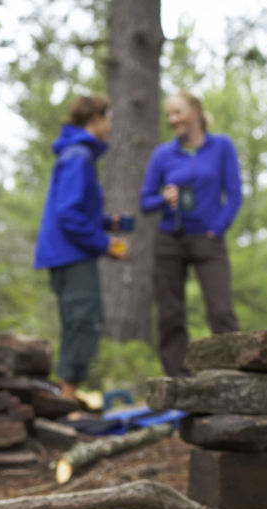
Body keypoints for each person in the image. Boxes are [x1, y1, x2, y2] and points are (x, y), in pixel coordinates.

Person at [139, 91, 243, 376]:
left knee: (221, 310)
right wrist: (164, 198)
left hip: (208, 239)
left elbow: (234, 195)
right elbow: (145, 202)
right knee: (170, 314)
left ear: (196, 111)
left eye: (178, 112)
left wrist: (217, 228)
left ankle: (233, 372)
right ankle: (179, 379)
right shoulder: (162, 154)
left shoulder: (221, 147)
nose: (173, 120)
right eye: (169, 114)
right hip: (169, 239)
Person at [33, 94, 127, 405]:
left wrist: (107, 222)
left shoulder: (77, 154)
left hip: (67, 253)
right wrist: (105, 244)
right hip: (71, 254)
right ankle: (67, 397)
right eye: (109, 118)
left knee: (80, 320)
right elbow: (69, 214)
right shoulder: (78, 156)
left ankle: (67, 393)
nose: (111, 126)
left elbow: (76, 210)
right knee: (83, 320)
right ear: (97, 119)